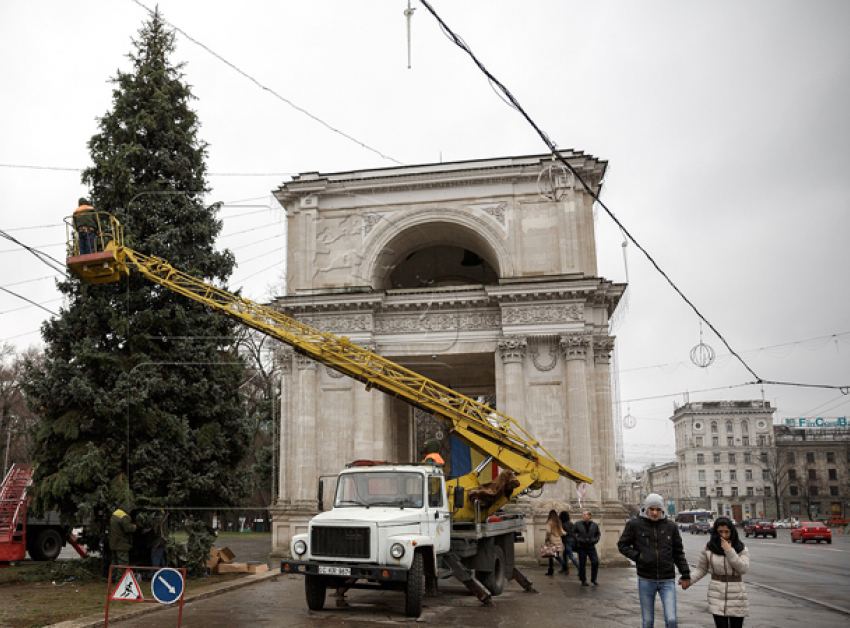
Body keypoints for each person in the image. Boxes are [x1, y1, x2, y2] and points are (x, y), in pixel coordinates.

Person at [617, 494, 691, 627]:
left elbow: (678, 552)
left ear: (662, 510)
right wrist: (638, 557)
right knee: (648, 620)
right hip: (646, 579)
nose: (655, 513)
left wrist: (685, 574)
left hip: (667, 579)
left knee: (671, 619)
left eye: (658, 509)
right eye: (652, 509)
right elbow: (622, 545)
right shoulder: (635, 525)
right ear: (646, 509)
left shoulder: (670, 527)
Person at [684, 516, 750, 628]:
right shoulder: (709, 548)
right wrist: (689, 580)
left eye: (726, 532)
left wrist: (729, 551)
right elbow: (701, 569)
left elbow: (743, 568)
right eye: (720, 532)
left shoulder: (741, 548)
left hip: (737, 595)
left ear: (732, 532)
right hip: (716, 593)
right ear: (715, 532)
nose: (723, 535)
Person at [109, 504, 137, 581]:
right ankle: (119, 580)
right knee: (122, 563)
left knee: (114, 562)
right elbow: (128, 529)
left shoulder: (115, 513)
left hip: (113, 542)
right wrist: (134, 527)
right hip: (121, 543)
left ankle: (112, 578)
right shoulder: (124, 516)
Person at [574, 508, 601, 586]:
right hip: (581, 546)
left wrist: (595, 540)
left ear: (590, 516)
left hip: (591, 546)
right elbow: (574, 533)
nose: (583, 516)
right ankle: (583, 579)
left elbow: (598, 534)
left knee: (595, 562)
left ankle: (594, 578)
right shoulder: (578, 524)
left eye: (585, 514)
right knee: (582, 563)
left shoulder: (594, 525)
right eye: (583, 514)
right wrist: (579, 540)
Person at [544, 509, 566, 576]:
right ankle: (562, 565)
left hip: (551, 540)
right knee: (555, 555)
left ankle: (563, 565)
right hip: (558, 540)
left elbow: (548, 531)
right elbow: (562, 532)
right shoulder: (558, 521)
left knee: (551, 557)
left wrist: (546, 539)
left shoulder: (550, 522)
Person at [558, 510, 580, 575]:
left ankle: (579, 568)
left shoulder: (562, 525)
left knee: (571, 556)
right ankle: (565, 568)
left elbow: (561, 533)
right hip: (572, 541)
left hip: (567, 542)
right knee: (565, 554)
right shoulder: (570, 523)